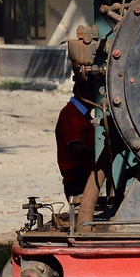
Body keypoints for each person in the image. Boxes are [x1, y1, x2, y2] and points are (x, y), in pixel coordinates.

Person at [55, 70, 99, 200]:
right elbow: (76, 148)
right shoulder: (70, 115)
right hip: (78, 177)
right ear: (85, 92)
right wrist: (101, 152)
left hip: (85, 174)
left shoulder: (83, 115)